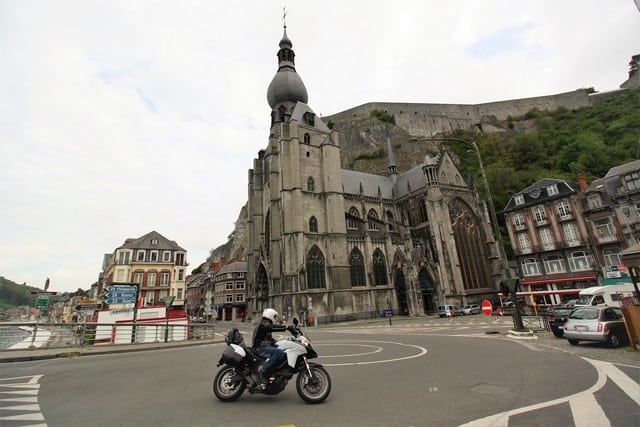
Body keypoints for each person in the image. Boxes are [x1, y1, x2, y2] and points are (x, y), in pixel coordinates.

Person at [251, 308, 292, 387]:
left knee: (281, 350)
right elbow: (271, 327)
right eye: (274, 316)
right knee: (279, 353)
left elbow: (270, 340)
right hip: (259, 348)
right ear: (270, 316)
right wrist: (286, 327)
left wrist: (284, 342)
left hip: (262, 347)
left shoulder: (265, 325)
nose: (275, 318)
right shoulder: (264, 324)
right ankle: (262, 372)